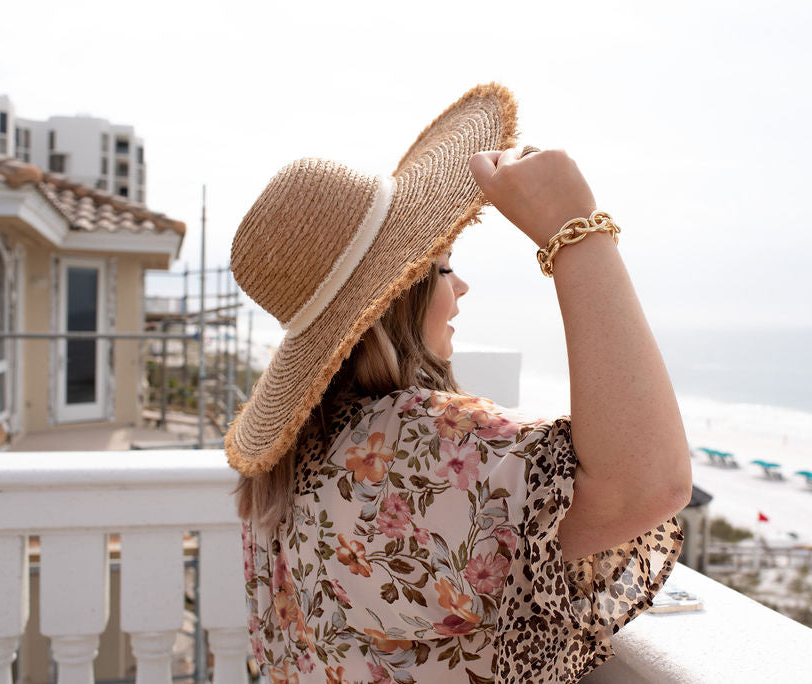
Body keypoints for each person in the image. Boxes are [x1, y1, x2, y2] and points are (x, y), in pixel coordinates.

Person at [225, 83, 692, 683]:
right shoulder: (407, 447)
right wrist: (576, 230)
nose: (461, 287)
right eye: (444, 267)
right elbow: (649, 482)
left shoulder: (290, 466)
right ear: (398, 300)